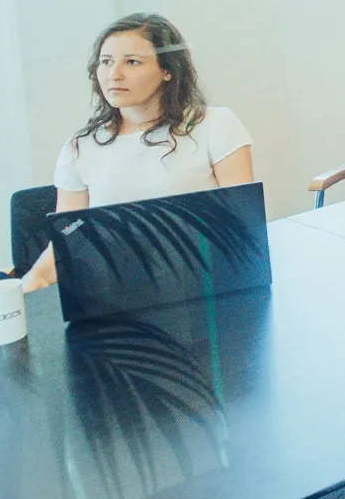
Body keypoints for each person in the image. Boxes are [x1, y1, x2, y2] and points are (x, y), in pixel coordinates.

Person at [22, 14, 253, 291]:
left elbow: (244, 226)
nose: (114, 74)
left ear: (167, 70)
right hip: (116, 291)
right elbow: (69, 236)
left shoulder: (215, 125)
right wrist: (37, 276)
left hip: (206, 285)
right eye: (106, 62)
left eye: (132, 62)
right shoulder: (80, 146)